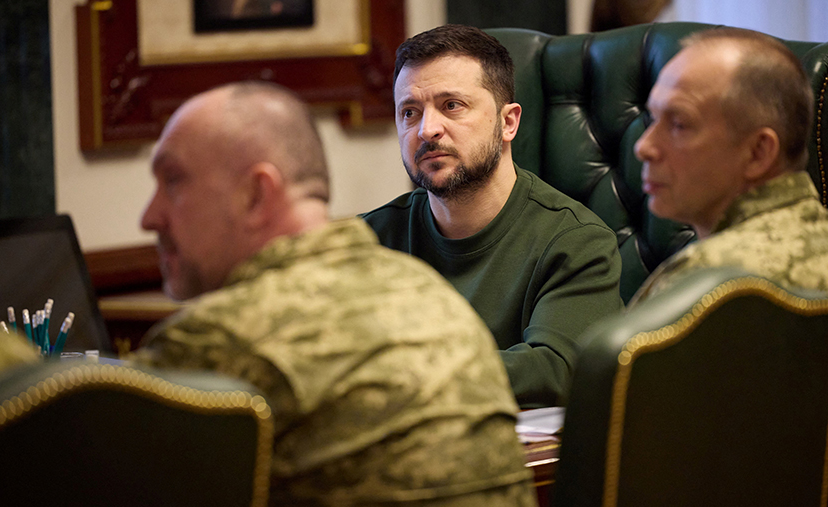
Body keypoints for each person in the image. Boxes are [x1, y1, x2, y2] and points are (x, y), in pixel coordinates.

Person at [134, 82, 537, 506]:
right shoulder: (431, 295)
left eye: (173, 181)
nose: (149, 217)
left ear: (256, 194)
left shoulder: (220, 337)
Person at [362, 25, 624, 409]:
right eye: (410, 112)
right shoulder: (369, 242)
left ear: (508, 122)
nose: (427, 129)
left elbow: (557, 369)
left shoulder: (577, 241)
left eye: (452, 105)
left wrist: (405, 375)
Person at [629, 27, 828, 304]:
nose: (643, 147)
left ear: (758, 153)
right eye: (653, 119)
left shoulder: (704, 283)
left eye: (679, 124)